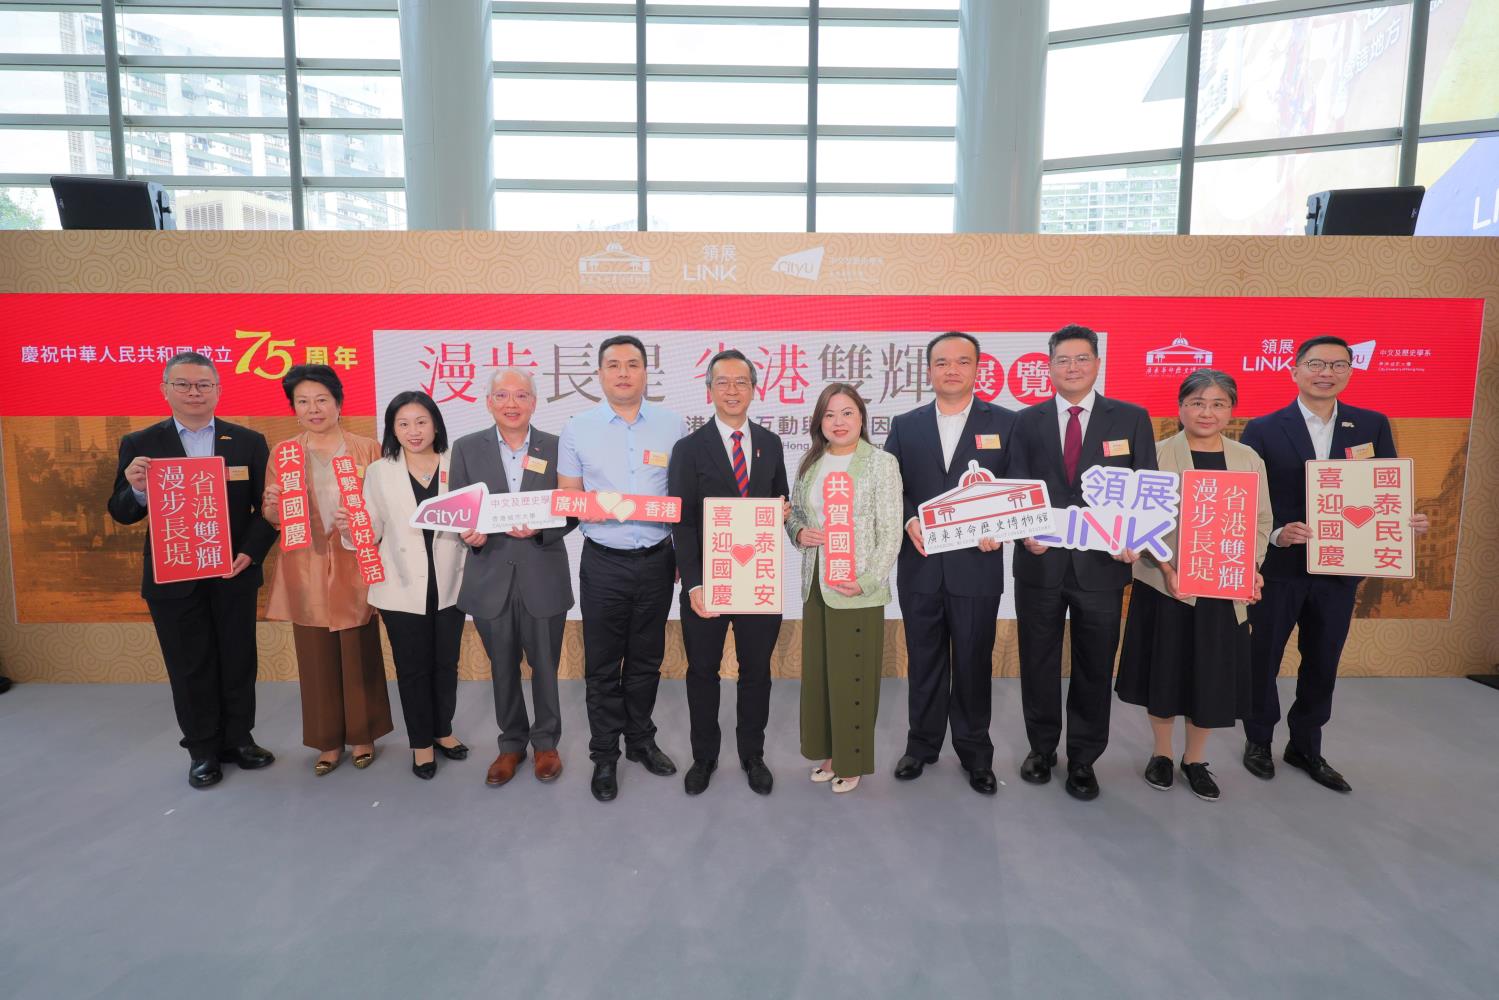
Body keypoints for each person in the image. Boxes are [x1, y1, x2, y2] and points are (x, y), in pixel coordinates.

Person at [1239, 335, 1429, 793]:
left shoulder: (1370, 424)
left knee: (1323, 659)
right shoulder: (1263, 428)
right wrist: (1276, 532)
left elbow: (1382, 487)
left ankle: (1305, 744)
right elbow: (1248, 498)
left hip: (1340, 569)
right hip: (1281, 566)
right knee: (1261, 658)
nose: (1326, 373)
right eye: (1316, 364)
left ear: (1349, 371)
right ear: (1294, 369)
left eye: (1337, 365)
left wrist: (1402, 521)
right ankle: (1259, 740)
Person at [108, 351, 278, 789]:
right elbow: (121, 513)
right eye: (183, 385)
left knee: (238, 660)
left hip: (233, 574)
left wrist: (251, 553)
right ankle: (202, 750)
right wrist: (137, 489)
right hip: (173, 580)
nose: (194, 393)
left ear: (219, 390)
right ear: (165, 390)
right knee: (189, 665)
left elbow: (268, 511)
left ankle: (239, 740)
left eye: (203, 385)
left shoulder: (248, 441)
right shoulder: (140, 444)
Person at [1009, 324, 1157, 802]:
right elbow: (1014, 491)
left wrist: (1135, 539)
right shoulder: (1024, 422)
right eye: (1062, 360)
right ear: (1048, 367)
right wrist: (1024, 532)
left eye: (1081, 359)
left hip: (1102, 567)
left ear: (1097, 365)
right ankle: (1041, 748)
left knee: (1095, 665)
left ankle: (1084, 759)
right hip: (1040, 565)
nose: (1071, 367)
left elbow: (1146, 489)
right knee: (1039, 661)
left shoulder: (1131, 419)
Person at [1115, 370, 1272, 801]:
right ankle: (1162, 753)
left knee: (1212, 676)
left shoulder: (1247, 458)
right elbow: (1139, 521)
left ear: (1231, 411)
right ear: (1180, 406)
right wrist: (1166, 567)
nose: (1207, 412)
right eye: (1197, 402)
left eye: (1218, 404)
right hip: (1166, 586)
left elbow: (1261, 522)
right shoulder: (1158, 454)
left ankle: (1195, 759)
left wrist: (1250, 566)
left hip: (1223, 586)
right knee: (1164, 672)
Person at [884, 331, 1017, 796]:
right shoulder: (905, 425)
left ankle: (976, 753)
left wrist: (1000, 526)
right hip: (920, 565)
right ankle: (920, 746)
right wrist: (906, 522)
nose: (952, 370)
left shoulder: (1005, 423)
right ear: (929, 370)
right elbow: (890, 488)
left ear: (978, 369)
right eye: (942, 362)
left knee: (974, 662)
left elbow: (1018, 492)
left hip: (976, 567)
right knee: (924, 660)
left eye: (962, 362)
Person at [558, 335, 688, 802]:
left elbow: (683, 495)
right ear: (599, 374)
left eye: (633, 364)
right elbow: (568, 499)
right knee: (601, 666)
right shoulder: (578, 428)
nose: (623, 373)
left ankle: (640, 741)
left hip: (657, 560)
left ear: (646, 372)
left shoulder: (673, 425)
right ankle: (603, 756)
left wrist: (682, 555)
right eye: (613, 365)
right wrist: (594, 505)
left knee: (647, 660)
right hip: (604, 563)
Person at [668, 349, 790, 797]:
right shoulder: (688, 449)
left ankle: (752, 754)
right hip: (707, 584)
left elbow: (780, 502)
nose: (733, 390)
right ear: (709, 390)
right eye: (723, 382)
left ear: (754, 389)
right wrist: (695, 582)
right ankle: (704, 757)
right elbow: (680, 521)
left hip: (757, 581)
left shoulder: (771, 443)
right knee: (702, 672)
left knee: (756, 671)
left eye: (741, 382)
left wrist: (784, 512)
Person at [449, 369, 577, 789]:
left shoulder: (559, 448)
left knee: (545, 665)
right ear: (488, 402)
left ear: (534, 403)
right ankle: (510, 744)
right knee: (501, 667)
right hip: (490, 577)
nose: (511, 403)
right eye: (502, 394)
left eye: (521, 395)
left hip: (543, 573)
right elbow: (458, 510)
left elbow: (573, 508)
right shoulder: (467, 448)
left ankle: (546, 744)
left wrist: (542, 528)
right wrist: (471, 533)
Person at [263, 364, 393, 775]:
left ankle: (363, 735)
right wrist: (272, 509)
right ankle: (327, 742)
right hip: (307, 567)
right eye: (303, 401)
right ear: (294, 409)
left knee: (360, 652)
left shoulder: (367, 449)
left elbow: (384, 508)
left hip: (357, 563)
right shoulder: (283, 453)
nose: (313, 408)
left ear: (339, 403)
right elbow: (274, 514)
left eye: (322, 399)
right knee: (315, 656)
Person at [787, 383, 902, 793]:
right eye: (830, 414)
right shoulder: (811, 463)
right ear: (819, 421)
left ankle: (852, 763)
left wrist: (867, 580)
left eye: (847, 412)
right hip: (817, 584)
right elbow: (796, 516)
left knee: (853, 676)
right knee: (821, 676)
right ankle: (830, 752)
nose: (839, 422)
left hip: (857, 588)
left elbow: (890, 532)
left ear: (862, 418)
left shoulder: (880, 463)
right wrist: (800, 533)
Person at [356, 390, 468, 780]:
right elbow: (368, 532)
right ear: (392, 430)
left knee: (446, 664)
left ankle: (443, 730)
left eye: (421, 421)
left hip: (452, 582)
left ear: (436, 423)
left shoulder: (459, 463)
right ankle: (421, 743)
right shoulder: (379, 471)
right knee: (413, 668)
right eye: (402, 424)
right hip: (400, 587)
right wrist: (348, 528)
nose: (413, 431)